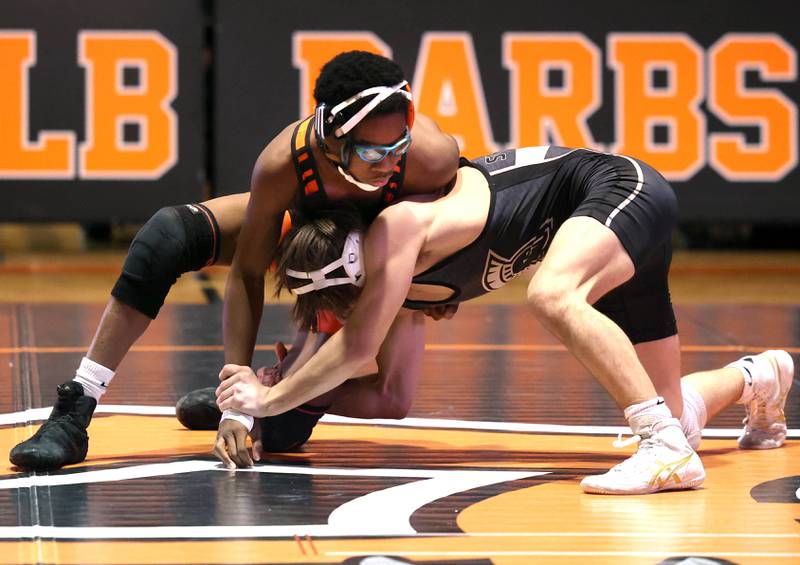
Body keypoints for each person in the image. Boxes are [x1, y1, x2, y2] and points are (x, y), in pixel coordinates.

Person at [214, 147, 795, 495]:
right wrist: (260, 397)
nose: (353, 313)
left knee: (552, 296)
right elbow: (389, 392)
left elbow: (351, 343)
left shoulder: (398, 230)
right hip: (605, 226)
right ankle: (761, 377)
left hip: (617, 188)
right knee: (679, 421)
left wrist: (271, 401)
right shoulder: (391, 283)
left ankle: (661, 447)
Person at [9, 50, 460, 471]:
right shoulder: (286, 163)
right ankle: (78, 405)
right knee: (166, 237)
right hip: (313, 238)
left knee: (319, 421)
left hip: (382, 263)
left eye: (397, 146)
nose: (387, 162)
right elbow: (247, 270)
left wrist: (443, 283)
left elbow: (471, 223)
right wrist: (235, 400)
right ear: (331, 139)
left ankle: (274, 387)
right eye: (371, 152)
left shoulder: (430, 159)